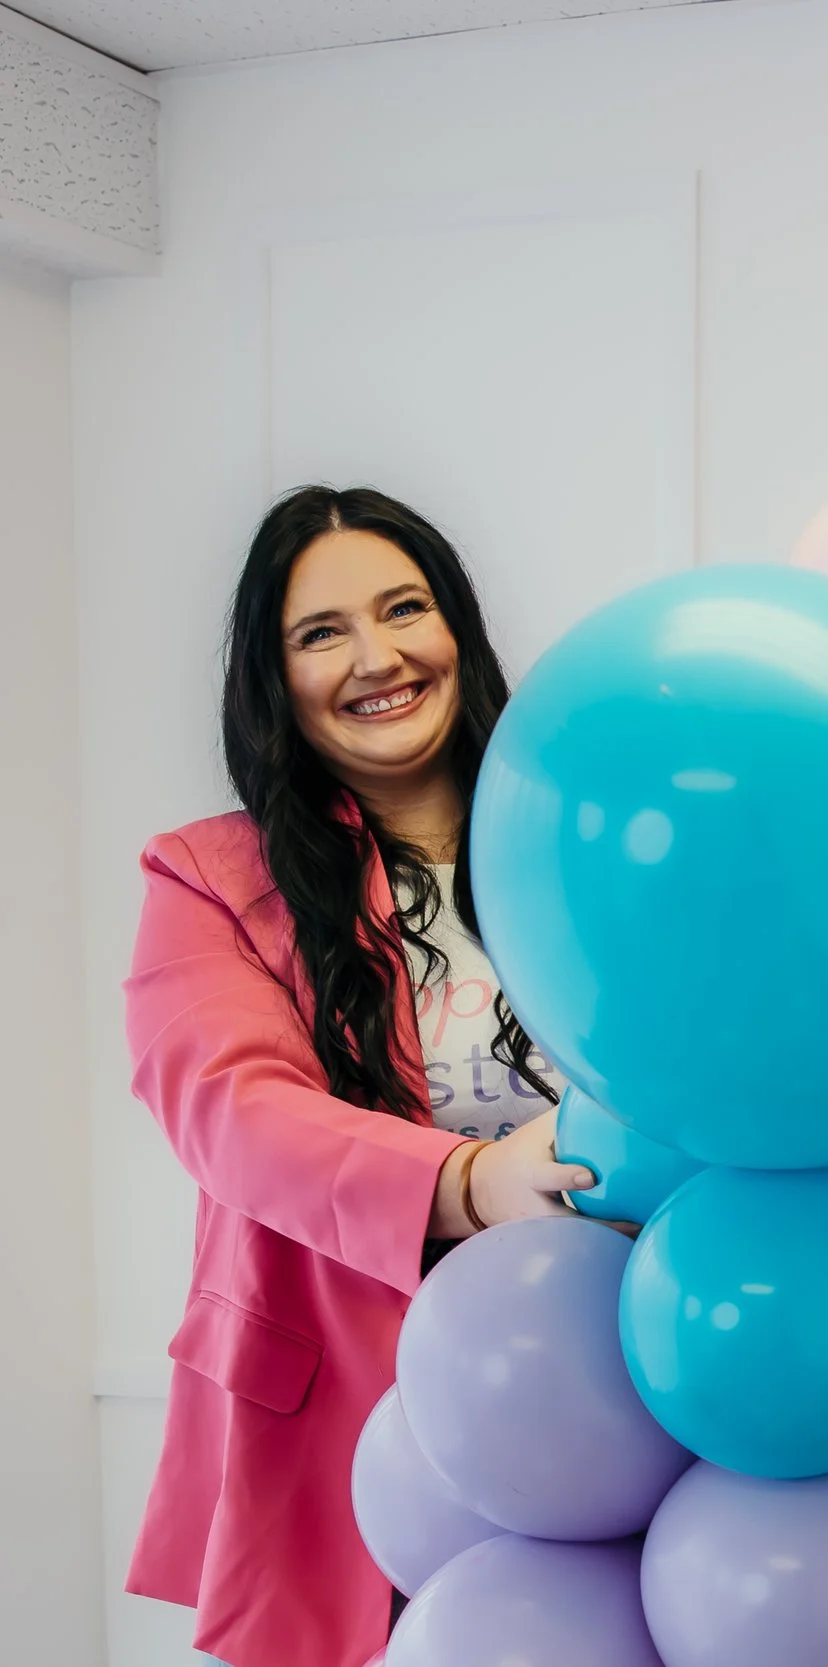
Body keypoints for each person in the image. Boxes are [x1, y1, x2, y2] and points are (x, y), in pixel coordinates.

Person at [123, 487, 598, 1667]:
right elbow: (231, 1110)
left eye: (405, 608)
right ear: (274, 677)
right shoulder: (207, 874)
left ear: (458, 630)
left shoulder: (581, 832)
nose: (377, 656)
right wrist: (474, 1178)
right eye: (321, 631)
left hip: (617, 1381)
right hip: (362, 1417)